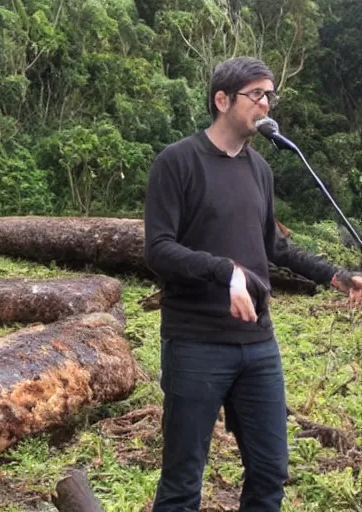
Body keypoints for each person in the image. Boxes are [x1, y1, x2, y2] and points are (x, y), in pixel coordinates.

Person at [143, 57, 362, 511]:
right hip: (195, 343)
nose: (266, 104)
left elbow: (275, 248)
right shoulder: (177, 162)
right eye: (256, 95)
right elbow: (158, 249)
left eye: (269, 95)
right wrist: (226, 271)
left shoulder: (260, 170)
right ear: (222, 100)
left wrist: (338, 276)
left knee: (270, 472)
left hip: (258, 345)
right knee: (183, 482)